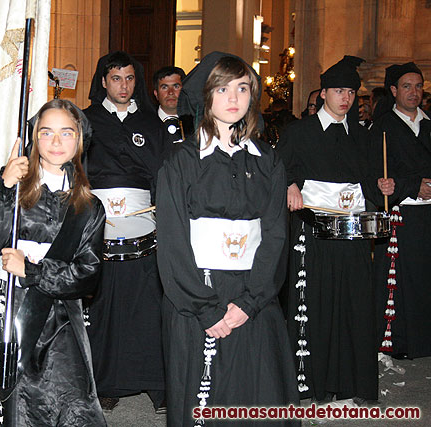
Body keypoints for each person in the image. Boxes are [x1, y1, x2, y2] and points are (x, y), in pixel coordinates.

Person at [156, 54, 299, 426]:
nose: (234, 97)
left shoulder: (268, 160)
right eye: (222, 89)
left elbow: (275, 236)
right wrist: (206, 309)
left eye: (242, 88)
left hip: (254, 292)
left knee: (259, 395)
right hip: (197, 292)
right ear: (206, 96)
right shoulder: (181, 162)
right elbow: (172, 243)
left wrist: (250, 302)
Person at [0, 99, 106, 426]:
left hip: (60, 315)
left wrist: (33, 270)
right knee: (13, 400)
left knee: (72, 401)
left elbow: (87, 274)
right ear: (34, 139)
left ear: (80, 140)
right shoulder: (13, 187)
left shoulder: (88, 205)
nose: (57, 142)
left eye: (66, 133)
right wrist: (3, 189)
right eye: (46, 133)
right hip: (12, 310)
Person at [277, 56, 393, 404]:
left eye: (351, 92)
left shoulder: (363, 135)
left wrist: (384, 187)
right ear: (324, 93)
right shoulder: (299, 132)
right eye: (339, 91)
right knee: (316, 306)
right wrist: (290, 184)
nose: (346, 98)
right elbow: (278, 171)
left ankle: (352, 383)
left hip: (354, 234)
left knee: (354, 306)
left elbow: (371, 182)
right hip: (314, 234)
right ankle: (312, 383)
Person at [84, 51, 167, 412]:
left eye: (129, 78)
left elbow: (162, 175)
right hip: (98, 230)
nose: (123, 85)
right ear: (103, 81)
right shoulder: (84, 122)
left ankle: (154, 381)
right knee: (102, 306)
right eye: (116, 78)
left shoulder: (152, 124)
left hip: (144, 228)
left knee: (146, 304)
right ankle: (105, 382)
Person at [370, 62, 431, 359]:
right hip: (402, 215)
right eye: (407, 86)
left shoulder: (429, 123)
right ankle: (403, 343)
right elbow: (379, 174)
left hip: (429, 214)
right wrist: (412, 185)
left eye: (418, 86)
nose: (414, 92)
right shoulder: (382, 128)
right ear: (393, 90)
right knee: (403, 282)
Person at [153, 65, 193, 144]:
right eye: (164, 87)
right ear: (156, 94)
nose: (170, 92)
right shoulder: (145, 124)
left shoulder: (197, 125)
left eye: (176, 86)